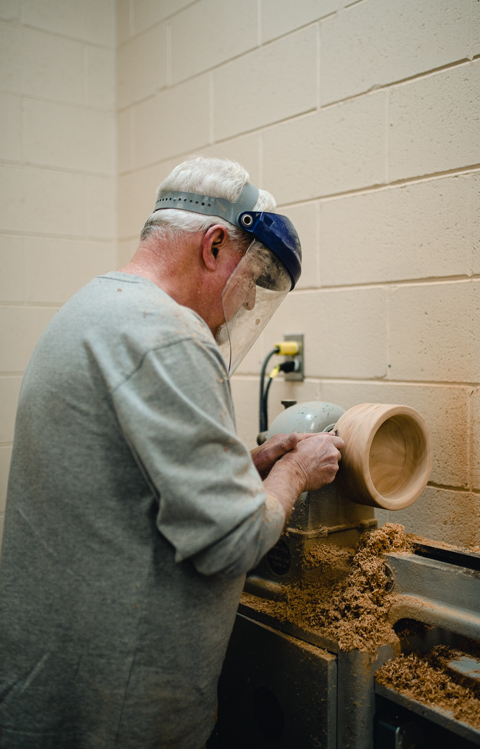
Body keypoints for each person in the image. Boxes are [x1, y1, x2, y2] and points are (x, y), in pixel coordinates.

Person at [0, 156, 343, 749]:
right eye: (249, 281)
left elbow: (129, 481)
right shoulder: (169, 333)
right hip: (119, 711)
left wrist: (246, 470)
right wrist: (293, 472)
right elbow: (233, 542)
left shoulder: (93, 308)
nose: (240, 309)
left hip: (57, 690)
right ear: (214, 246)